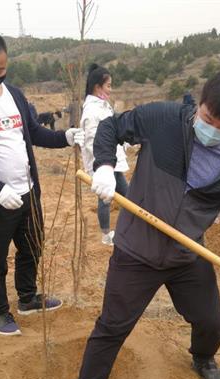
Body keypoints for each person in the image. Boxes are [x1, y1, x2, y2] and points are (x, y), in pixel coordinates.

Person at [61, 71, 220, 379]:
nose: (212, 129)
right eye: (207, 119)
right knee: (112, 326)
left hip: (187, 253)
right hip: (136, 250)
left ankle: (202, 357)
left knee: (211, 322)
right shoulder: (164, 119)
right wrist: (105, 166)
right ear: (200, 104)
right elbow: (110, 127)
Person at [0, 32, 84, 336]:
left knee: (32, 246)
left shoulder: (15, 95)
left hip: (28, 191)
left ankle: (27, 297)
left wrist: (64, 137)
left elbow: (32, 132)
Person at [81, 63, 130, 246]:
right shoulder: (92, 110)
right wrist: (100, 166)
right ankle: (106, 234)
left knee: (126, 194)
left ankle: (132, 225)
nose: (111, 89)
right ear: (97, 87)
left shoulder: (103, 106)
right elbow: (92, 139)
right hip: (104, 162)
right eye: (108, 85)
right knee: (105, 197)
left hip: (113, 160)